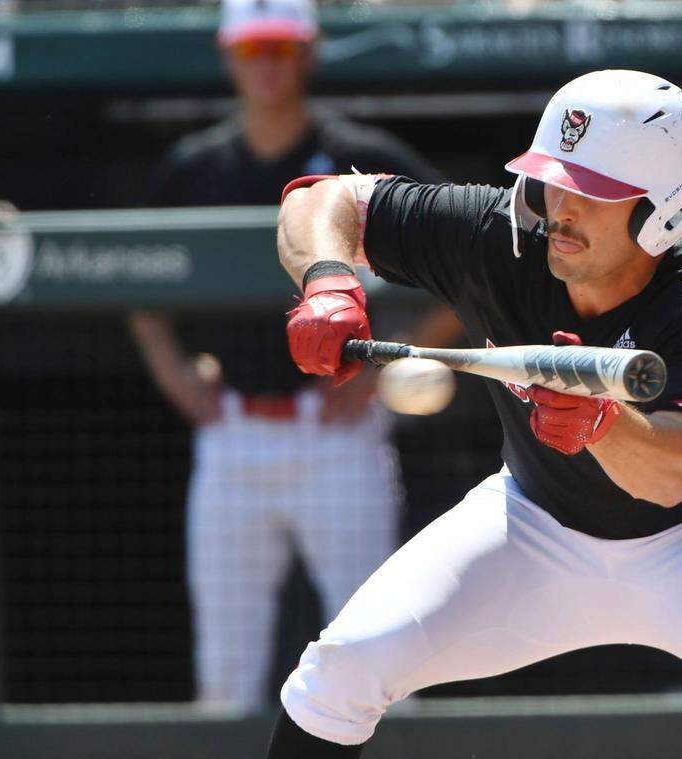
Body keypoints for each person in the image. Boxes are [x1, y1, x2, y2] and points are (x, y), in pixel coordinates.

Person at [266, 70, 682, 758]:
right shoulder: (496, 237)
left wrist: (602, 422)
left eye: (591, 191)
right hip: (534, 520)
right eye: (552, 180)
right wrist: (326, 277)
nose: (561, 207)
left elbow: (676, 472)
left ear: (660, 207)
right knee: (338, 670)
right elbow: (324, 201)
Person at [128, 0, 455, 709]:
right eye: (253, 51)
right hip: (233, 433)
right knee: (224, 665)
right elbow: (134, 282)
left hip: (335, 433)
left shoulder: (359, 155)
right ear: (228, 57)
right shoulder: (196, 167)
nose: (267, 65)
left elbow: (470, 260)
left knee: (380, 648)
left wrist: (382, 373)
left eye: (279, 48)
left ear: (307, 52)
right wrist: (173, 371)